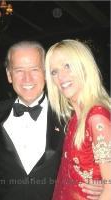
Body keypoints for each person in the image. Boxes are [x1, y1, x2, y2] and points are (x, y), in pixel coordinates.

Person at [0, 40, 103, 200]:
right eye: (19, 70)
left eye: (35, 69)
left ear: (46, 73)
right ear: (9, 75)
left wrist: (104, 181)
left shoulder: (71, 116)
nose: (27, 78)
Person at [45, 39, 111, 200]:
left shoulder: (96, 118)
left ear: (84, 67)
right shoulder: (76, 117)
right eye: (54, 71)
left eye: (67, 66)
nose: (61, 76)